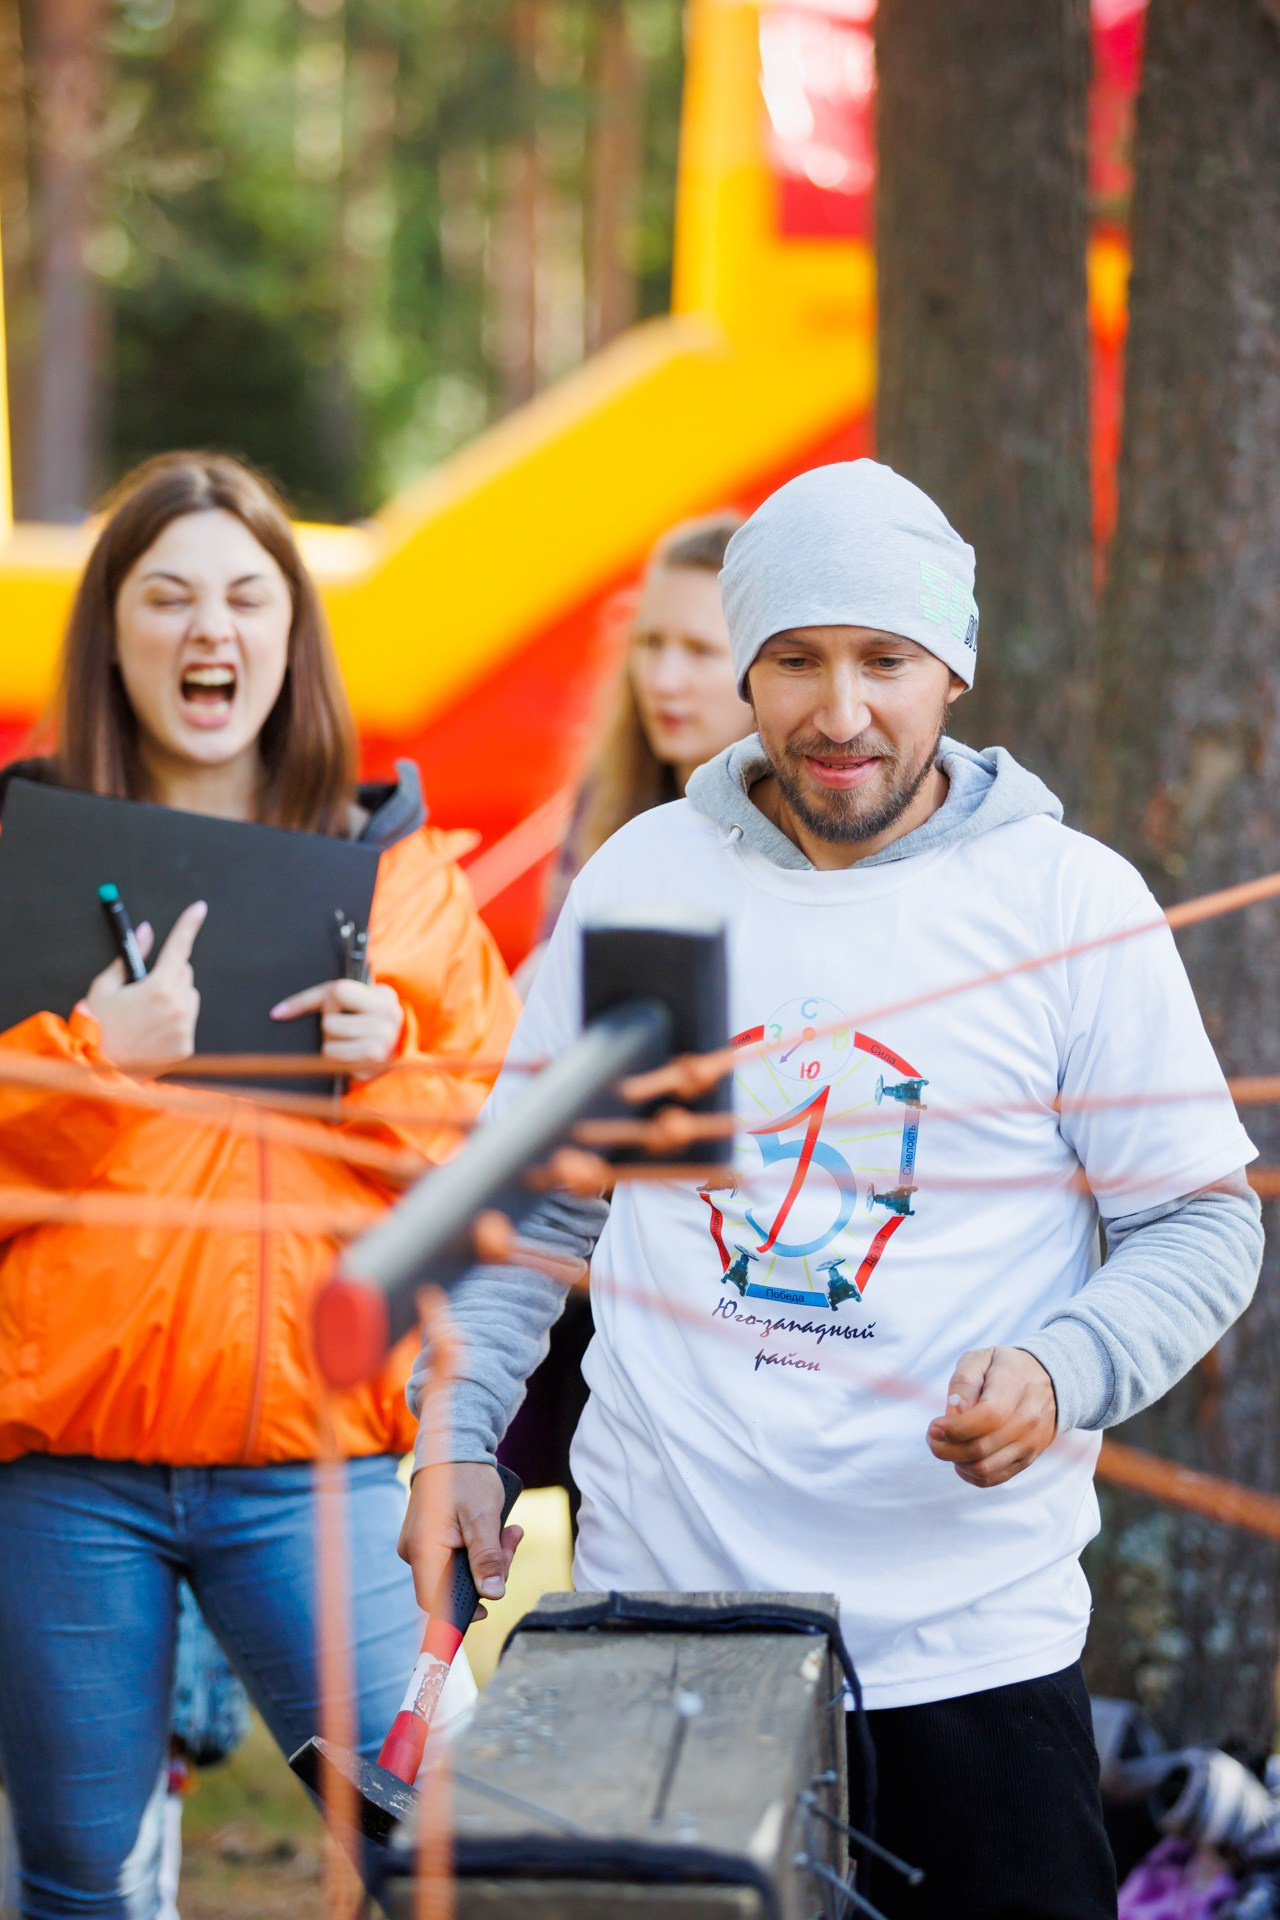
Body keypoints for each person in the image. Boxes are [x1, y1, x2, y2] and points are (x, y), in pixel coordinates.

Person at [401, 460, 1264, 1919]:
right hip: (657, 1618)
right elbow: (541, 1209)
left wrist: (1064, 1368)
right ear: (746, 668)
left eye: (886, 659)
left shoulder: (1067, 903)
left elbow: (1199, 1221)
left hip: (967, 1650)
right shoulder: (650, 879)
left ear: (957, 668)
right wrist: (457, 1436)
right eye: (796, 660)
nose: (842, 710)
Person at [0, 451, 520, 1920]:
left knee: (453, 1865)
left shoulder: (400, 879)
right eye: (165, 597)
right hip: (64, 1479)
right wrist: (94, 1060)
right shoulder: (17, 862)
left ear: (293, 633)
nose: (206, 630)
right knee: (76, 1883)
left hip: (322, 1470)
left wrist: (392, 1064)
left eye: (245, 595)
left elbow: (484, 1166)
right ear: (110, 632)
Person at [502, 511, 751, 1506]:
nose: (665, 677)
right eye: (650, 644)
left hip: (705, 1244)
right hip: (582, 1223)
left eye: (698, 650)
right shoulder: (610, 804)